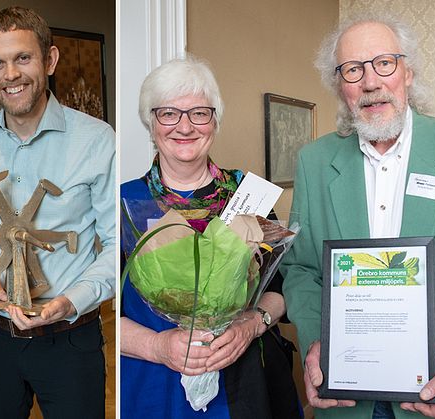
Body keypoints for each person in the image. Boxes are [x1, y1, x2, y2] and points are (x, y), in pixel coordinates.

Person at [280, 13, 435, 419]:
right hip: (346, 401)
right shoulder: (315, 161)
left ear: (408, 71)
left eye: (384, 63)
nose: (370, 82)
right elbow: (302, 268)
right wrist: (315, 341)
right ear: (339, 86)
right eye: (353, 70)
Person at [0, 6, 115, 419]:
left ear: (50, 60)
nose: (11, 75)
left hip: (69, 340)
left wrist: (70, 301)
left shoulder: (97, 141)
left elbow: (116, 245)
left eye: (23, 58)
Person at [120, 56, 301, 419]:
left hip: (247, 382)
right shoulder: (125, 204)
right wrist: (158, 346)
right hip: (155, 384)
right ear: (150, 122)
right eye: (168, 113)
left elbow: (283, 287)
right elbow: (104, 312)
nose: (184, 127)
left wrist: (252, 325)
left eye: (199, 113)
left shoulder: (250, 196)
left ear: (215, 121)